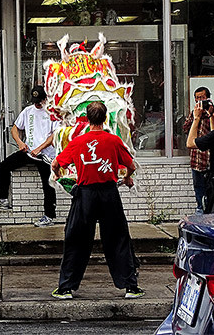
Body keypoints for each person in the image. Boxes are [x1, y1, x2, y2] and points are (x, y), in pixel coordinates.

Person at [50, 101, 144, 300]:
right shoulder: (114, 140)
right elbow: (132, 165)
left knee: (76, 239)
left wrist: (59, 176)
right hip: (109, 194)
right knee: (118, 238)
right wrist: (127, 177)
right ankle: (130, 287)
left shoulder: (78, 142)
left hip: (85, 195)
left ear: (87, 118)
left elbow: (55, 163)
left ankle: (66, 288)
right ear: (104, 118)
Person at [0, 85, 58, 227]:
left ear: (45, 99)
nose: (37, 103)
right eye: (35, 100)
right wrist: (20, 142)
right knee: (4, 166)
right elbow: (15, 128)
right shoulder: (28, 111)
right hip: (29, 151)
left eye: (39, 100)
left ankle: (49, 216)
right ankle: (2, 199)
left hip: (46, 155)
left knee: (48, 184)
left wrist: (40, 148)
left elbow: (55, 136)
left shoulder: (52, 113)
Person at [182, 87, 214, 213]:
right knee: (198, 186)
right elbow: (185, 129)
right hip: (196, 158)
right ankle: (200, 208)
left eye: (202, 97)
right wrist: (195, 118)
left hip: (210, 158)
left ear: (208, 98)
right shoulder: (194, 113)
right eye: (197, 98)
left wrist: (210, 114)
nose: (199, 100)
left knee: (211, 186)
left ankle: (211, 208)